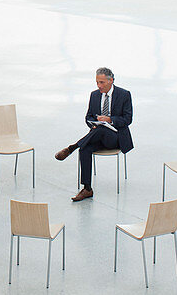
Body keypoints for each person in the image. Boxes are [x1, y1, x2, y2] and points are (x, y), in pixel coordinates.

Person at [55, 67, 133, 202]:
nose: (99, 86)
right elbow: (88, 117)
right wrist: (94, 124)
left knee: (102, 130)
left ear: (111, 81)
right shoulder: (94, 95)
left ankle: (72, 147)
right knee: (85, 148)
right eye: (97, 82)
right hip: (97, 135)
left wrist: (110, 120)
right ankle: (87, 189)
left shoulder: (124, 94)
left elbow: (128, 119)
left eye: (102, 82)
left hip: (115, 137)